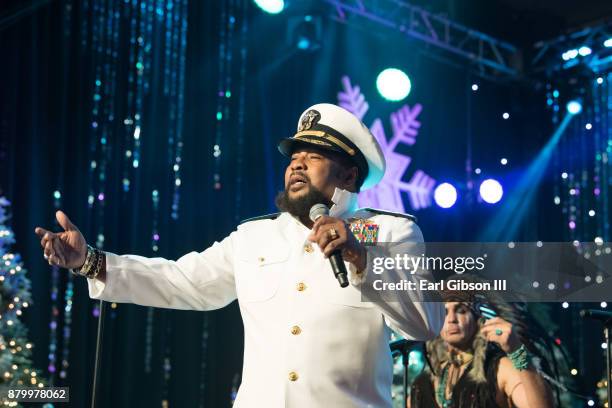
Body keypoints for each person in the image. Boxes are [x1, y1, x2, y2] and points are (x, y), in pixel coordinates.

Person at [35, 103, 444, 407]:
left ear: (350, 175)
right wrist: (90, 260)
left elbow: (424, 324)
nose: (296, 166)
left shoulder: (391, 232)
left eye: (313, 157)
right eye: (293, 158)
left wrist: (361, 260)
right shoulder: (254, 237)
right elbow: (182, 282)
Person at [409, 282, 554, 408]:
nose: (451, 319)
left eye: (461, 310)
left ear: (478, 318)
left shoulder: (499, 368)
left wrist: (517, 350)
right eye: (444, 312)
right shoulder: (422, 384)